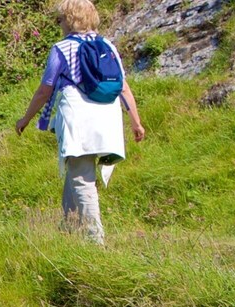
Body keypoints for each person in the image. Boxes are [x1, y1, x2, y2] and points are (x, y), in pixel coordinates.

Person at [14, 0, 148, 245]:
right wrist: (136, 122)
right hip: (108, 115)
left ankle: (95, 240)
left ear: (70, 19)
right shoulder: (107, 44)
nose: (59, 24)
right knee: (77, 172)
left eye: (61, 19)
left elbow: (45, 90)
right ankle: (68, 231)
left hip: (78, 115)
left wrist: (26, 118)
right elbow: (124, 88)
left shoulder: (62, 48)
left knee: (81, 177)